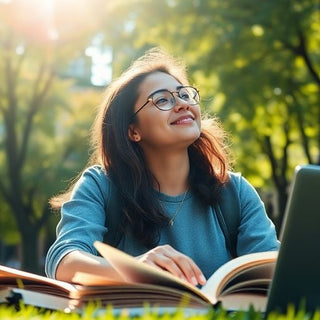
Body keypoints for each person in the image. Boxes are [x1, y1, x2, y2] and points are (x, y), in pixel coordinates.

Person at [45, 48, 279, 286]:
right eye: (162, 100)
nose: (182, 104)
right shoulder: (101, 186)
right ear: (133, 131)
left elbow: (275, 269)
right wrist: (136, 269)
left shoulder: (235, 192)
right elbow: (64, 261)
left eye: (185, 95)